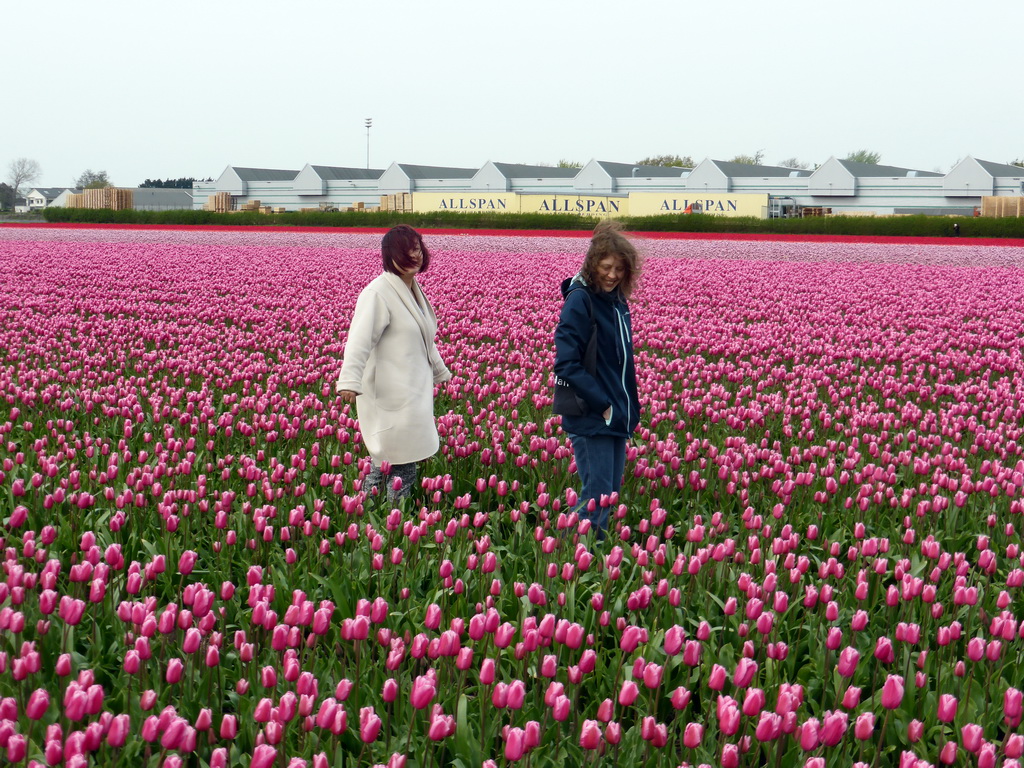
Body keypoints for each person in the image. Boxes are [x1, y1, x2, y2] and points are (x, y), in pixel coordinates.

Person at [336, 225, 451, 501]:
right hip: (389, 389)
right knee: (393, 456)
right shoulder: (377, 293)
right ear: (390, 256)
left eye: (418, 248)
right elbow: (359, 340)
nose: (416, 254)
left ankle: (372, 511)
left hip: (412, 388)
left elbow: (423, 336)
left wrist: (439, 370)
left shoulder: (413, 290)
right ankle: (385, 517)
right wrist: (349, 380)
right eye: (407, 250)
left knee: (398, 457)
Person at [554, 220, 641, 539]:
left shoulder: (618, 303)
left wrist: (627, 410)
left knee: (607, 498)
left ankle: (592, 557)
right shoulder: (580, 301)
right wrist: (603, 404)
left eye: (619, 269)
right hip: (593, 416)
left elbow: (620, 365)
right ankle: (567, 554)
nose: (613, 275)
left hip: (615, 416)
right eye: (606, 267)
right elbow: (566, 363)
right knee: (596, 498)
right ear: (592, 265)